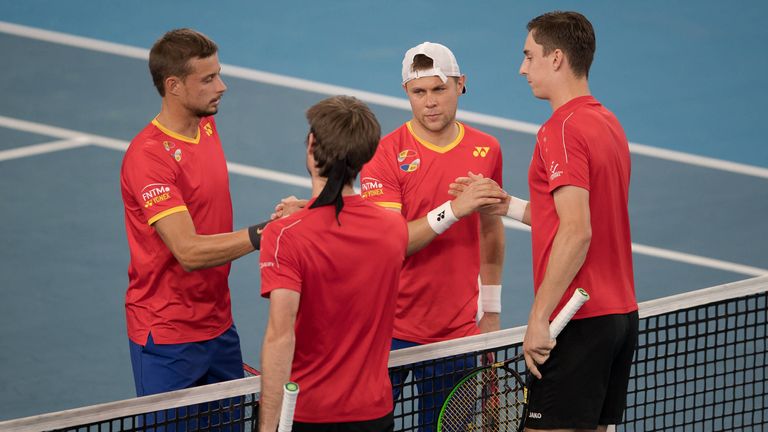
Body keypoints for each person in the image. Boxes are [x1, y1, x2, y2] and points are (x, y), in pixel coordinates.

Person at [451, 11, 638, 431]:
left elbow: (576, 232)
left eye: (528, 55)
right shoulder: (608, 123)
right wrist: (508, 206)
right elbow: (579, 218)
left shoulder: (560, 130)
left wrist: (538, 316)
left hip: (576, 323)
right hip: (620, 319)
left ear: (556, 59)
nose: (521, 68)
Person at [358, 42, 507, 429]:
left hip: (456, 334)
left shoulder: (486, 149)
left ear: (461, 85)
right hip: (386, 330)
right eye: (418, 92)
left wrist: (490, 310)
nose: (429, 103)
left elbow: (491, 227)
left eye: (439, 89)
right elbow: (392, 243)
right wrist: (455, 209)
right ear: (406, 92)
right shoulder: (383, 154)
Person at [120, 28, 266, 398]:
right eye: (208, 79)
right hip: (168, 337)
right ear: (174, 86)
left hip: (218, 325)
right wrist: (263, 233)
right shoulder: (149, 158)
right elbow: (187, 251)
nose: (222, 86)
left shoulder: (206, 125)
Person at [258, 95, 407, 432]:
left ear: (312, 145)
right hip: (374, 415)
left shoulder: (284, 235)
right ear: (366, 156)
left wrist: (267, 428)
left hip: (308, 416)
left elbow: (280, 339)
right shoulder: (393, 229)